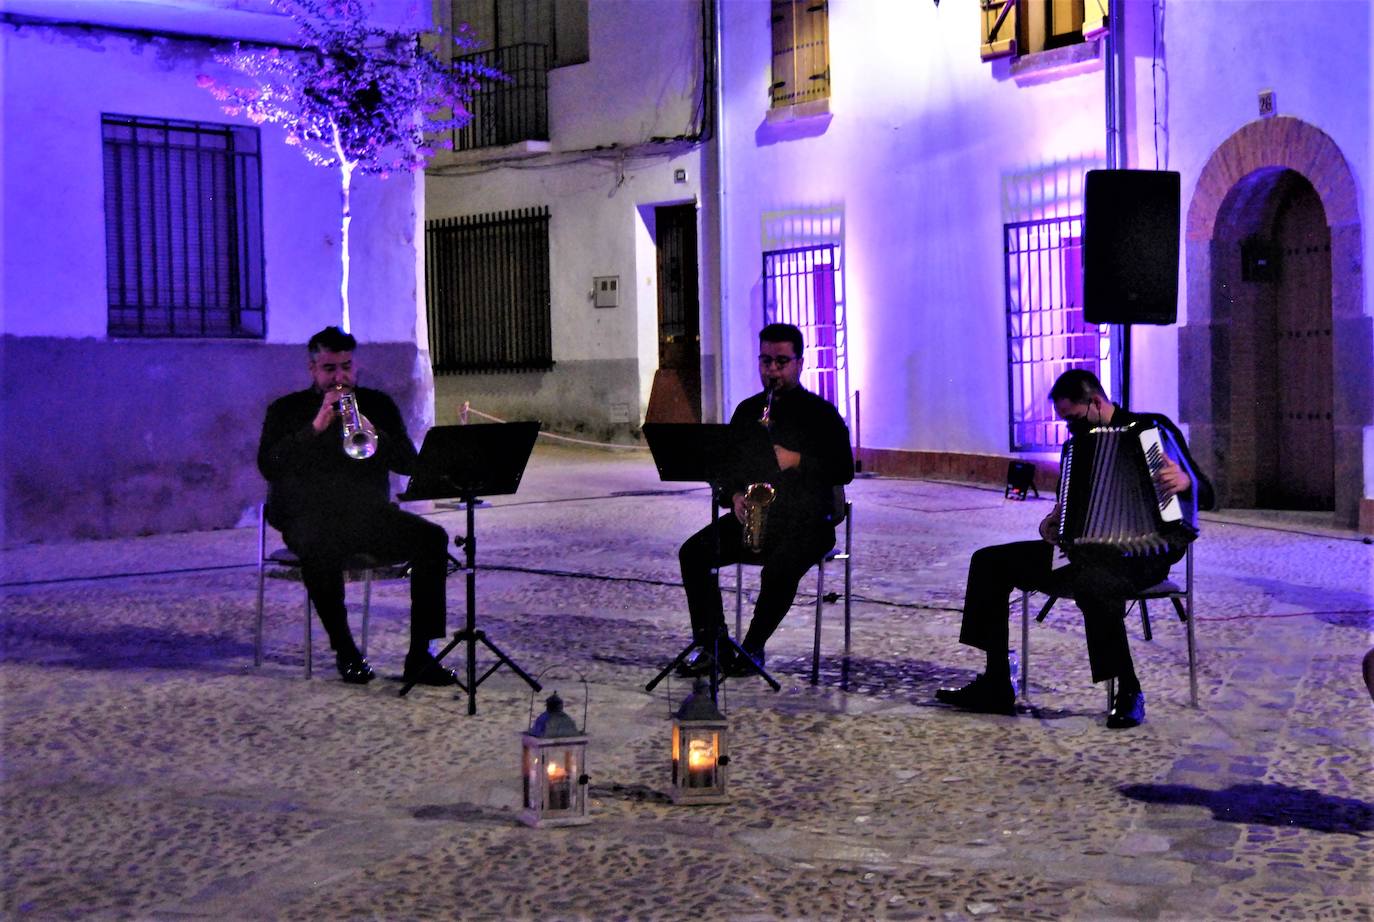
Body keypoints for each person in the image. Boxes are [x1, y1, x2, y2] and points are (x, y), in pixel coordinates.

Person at [935, 369, 1214, 728]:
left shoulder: (1152, 430)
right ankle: (996, 682)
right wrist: (1052, 525)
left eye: (1073, 418)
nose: (1070, 428)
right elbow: (1067, 512)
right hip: (1084, 552)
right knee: (989, 562)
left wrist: (1186, 481)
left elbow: (1207, 492)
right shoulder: (1078, 447)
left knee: (1094, 584)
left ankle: (1128, 690)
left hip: (1144, 555)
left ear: (1096, 403)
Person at [257, 326, 457, 686]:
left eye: (346, 367)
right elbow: (269, 464)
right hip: (309, 516)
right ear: (312, 369)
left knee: (433, 539)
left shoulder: (377, 404)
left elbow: (409, 464)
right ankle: (346, 651)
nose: (340, 377)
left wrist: (376, 435)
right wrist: (315, 427)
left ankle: (420, 657)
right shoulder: (286, 409)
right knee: (320, 548)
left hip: (368, 514)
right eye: (329, 368)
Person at [678, 322, 854, 677]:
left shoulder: (821, 414)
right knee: (694, 552)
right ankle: (713, 643)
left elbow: (843, 469)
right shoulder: (748, 412)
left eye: (781, 362)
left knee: (781, 566)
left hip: (809, 522)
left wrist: (798, 460)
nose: (772, 370)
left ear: (799, 363)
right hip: (760, 518)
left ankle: (753, 647)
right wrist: (736, 495)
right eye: (765, 361)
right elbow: (727, 468)